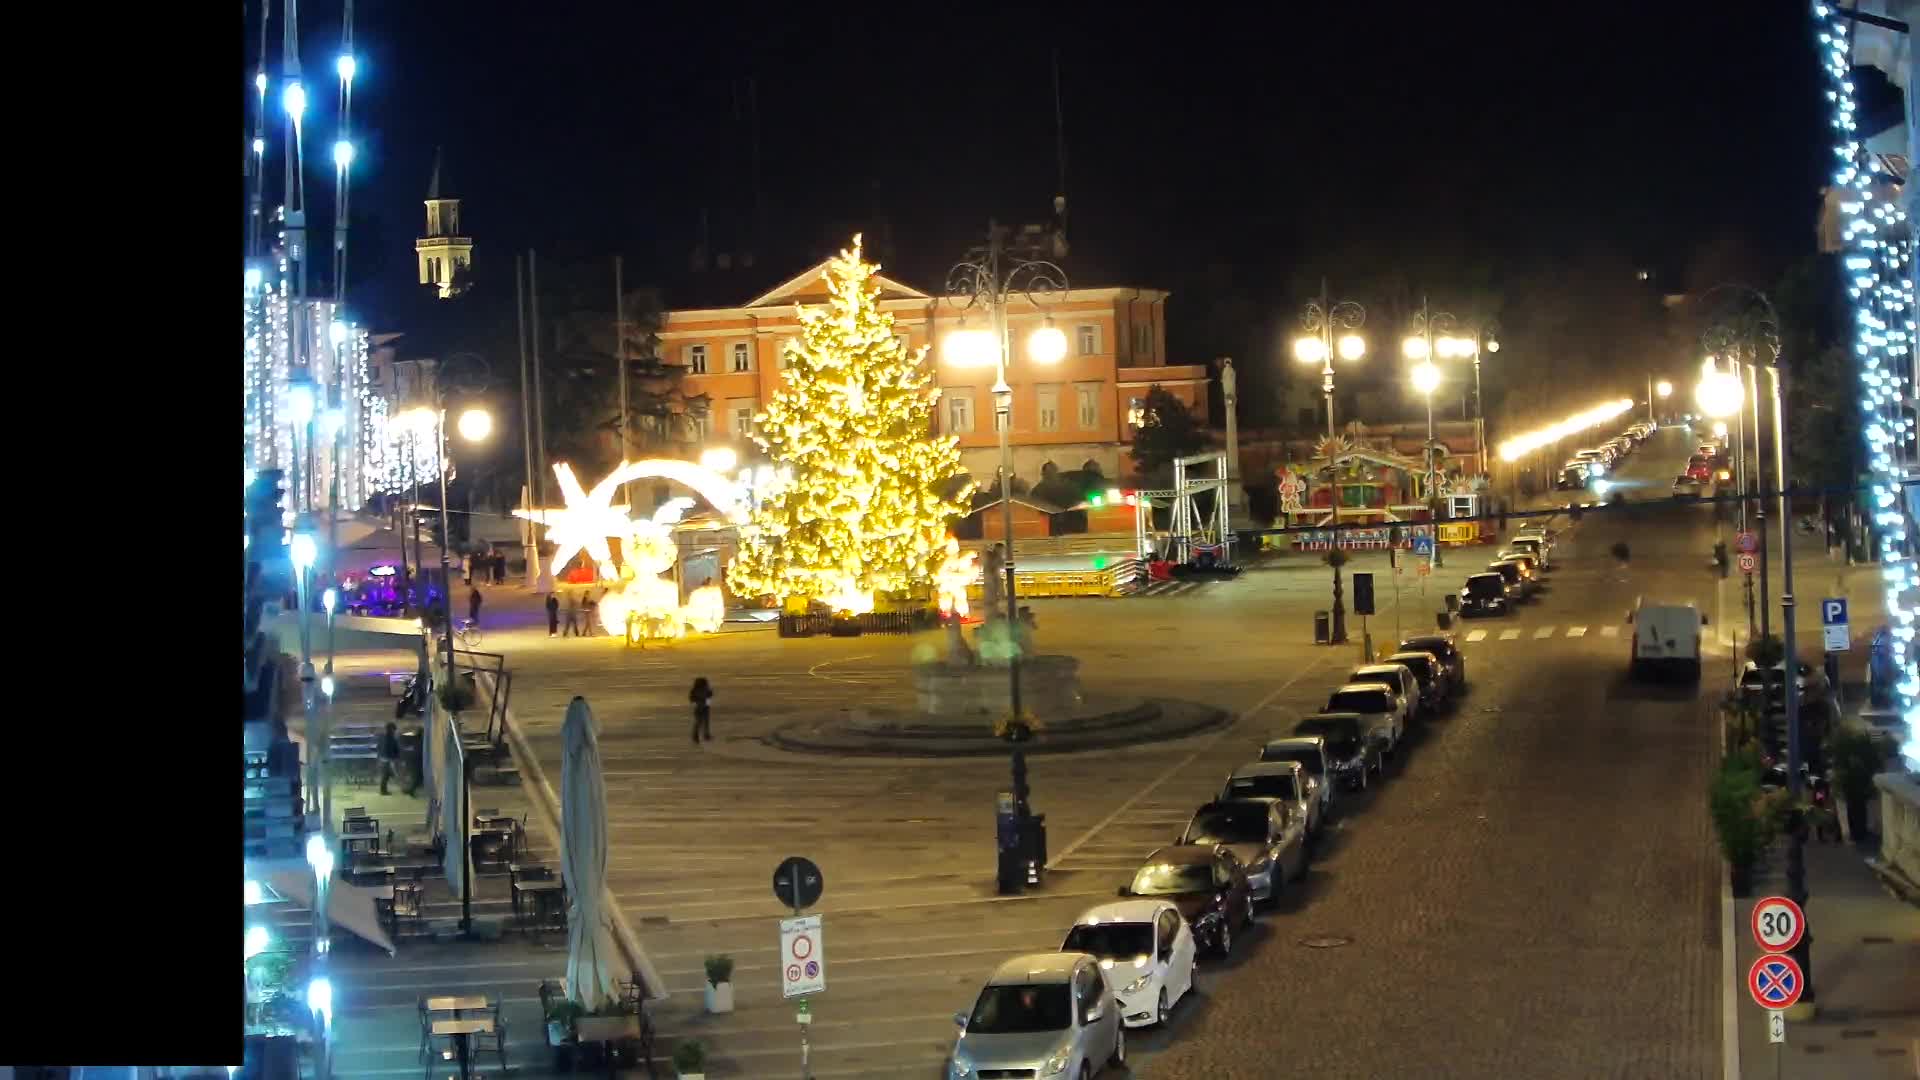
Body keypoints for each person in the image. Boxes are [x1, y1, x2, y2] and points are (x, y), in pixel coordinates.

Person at [378, 721, 402, 796]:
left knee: (386, 775)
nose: (395, 731)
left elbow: (378, 747)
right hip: (388, 760)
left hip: (383, 759)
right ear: (392, 729)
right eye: (394, 729)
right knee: (387, 775)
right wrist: (396, 757)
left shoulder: (383, 737)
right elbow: (393, 749)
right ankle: (383, 791)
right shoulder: (391, 738)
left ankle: (383, 790)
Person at [690, 677, 714, 743]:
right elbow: (709, 696)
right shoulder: (705, 690)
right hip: (702, 708)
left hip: (700, 707)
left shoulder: (695, 690)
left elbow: (692, 699)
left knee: (701, 722)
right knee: (702, 722)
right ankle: (701, 735)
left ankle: (699, 735)